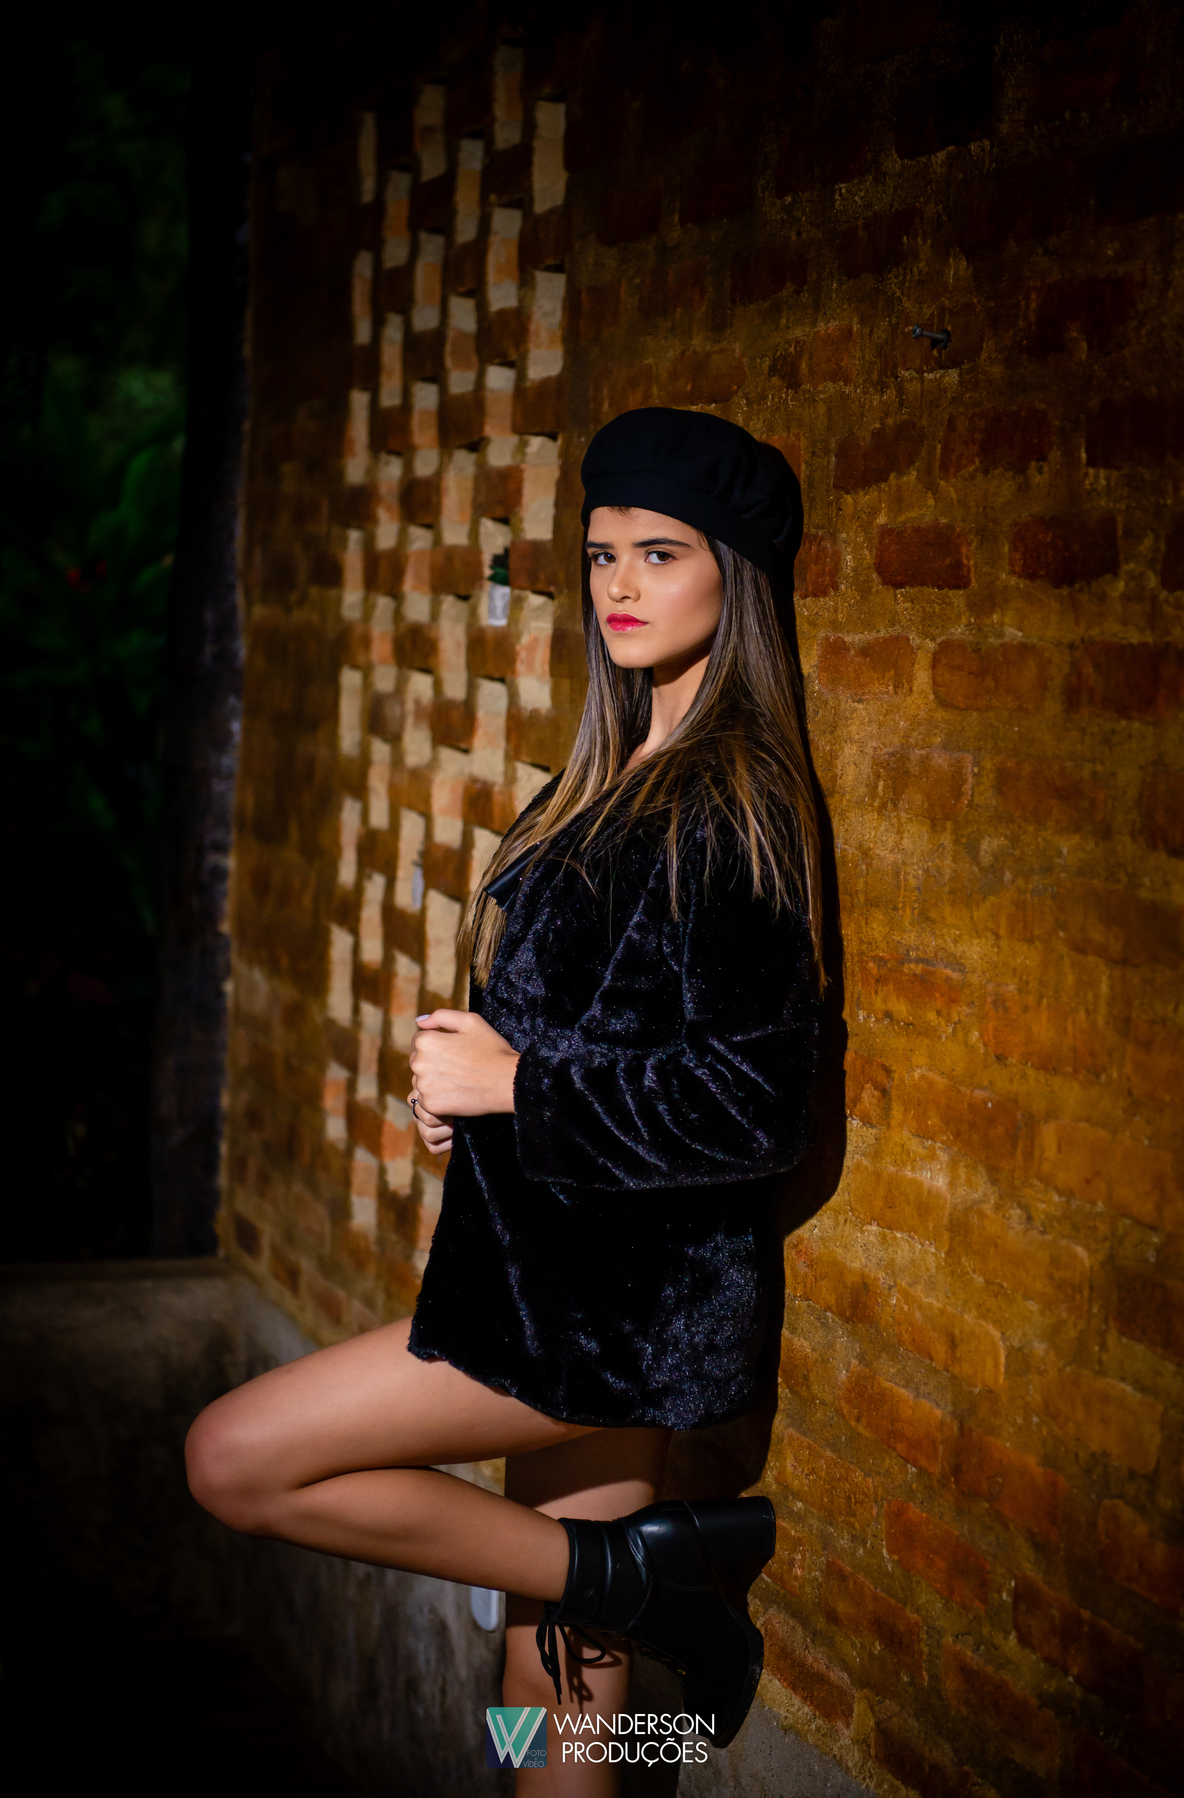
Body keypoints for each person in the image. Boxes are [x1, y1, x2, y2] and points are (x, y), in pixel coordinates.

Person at [186, 406, 825, 1795]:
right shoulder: (604, 779)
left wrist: (518, 1085)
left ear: (736, 576)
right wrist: (471, 1095)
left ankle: (638, 1574)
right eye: (601, 555)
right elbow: (602, 1029)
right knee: (555, 1681)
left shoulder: (730, 806)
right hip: (554, 1281)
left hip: (604, 1317)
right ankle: (620, 1592)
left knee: (233, 1456)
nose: (620, 586)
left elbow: (761, 1106)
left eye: (661, 553)